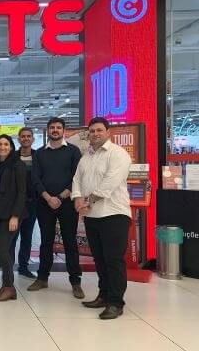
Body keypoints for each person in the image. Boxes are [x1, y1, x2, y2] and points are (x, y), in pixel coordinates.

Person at [72, 117, 132, 320]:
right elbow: (77, 180)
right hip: (92, 215)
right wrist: (77, 199)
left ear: (108, 132)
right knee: (99, 258)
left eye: (99, 130)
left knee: (114, 260)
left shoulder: (118, 154)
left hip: (114, 214)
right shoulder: (86, 156)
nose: (95, 134)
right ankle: (104, 295)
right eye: (92, 131)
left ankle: (116, 302)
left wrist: (87, 200)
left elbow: (110, 183)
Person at [29, 117, 84, 299]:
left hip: (67, 204)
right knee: (46, 242)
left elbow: (77, 177)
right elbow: (35, 179)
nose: (55, 130)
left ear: (63, 130)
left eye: (58, 127)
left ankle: (75, 282)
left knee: (70, 242)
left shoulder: (73, 151)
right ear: (48, 130)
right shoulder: (39, 154)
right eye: (52, 127)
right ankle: (43, 278)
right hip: (44, 204)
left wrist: (60, 197)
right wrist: (48, 197)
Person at [0, 135, 27, 302]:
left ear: (11, 147)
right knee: (5, 250)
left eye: (6, 144)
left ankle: (9, 287)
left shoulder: (18, 165)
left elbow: (22, 192)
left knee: (2, 249)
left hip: (11, 216)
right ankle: (6, 285)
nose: (2, 147)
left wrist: (15, 216)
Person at [10, 127, 38, 278]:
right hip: (15, 203)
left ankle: (23, 266)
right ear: (19, 139)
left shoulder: (38, 156)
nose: (26, 138)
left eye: (28, 136)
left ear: (32, 139)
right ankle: (9, 267)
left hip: (32, 203)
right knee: (12, 236)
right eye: (23, 136)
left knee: (27, 236)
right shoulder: (12, 157)